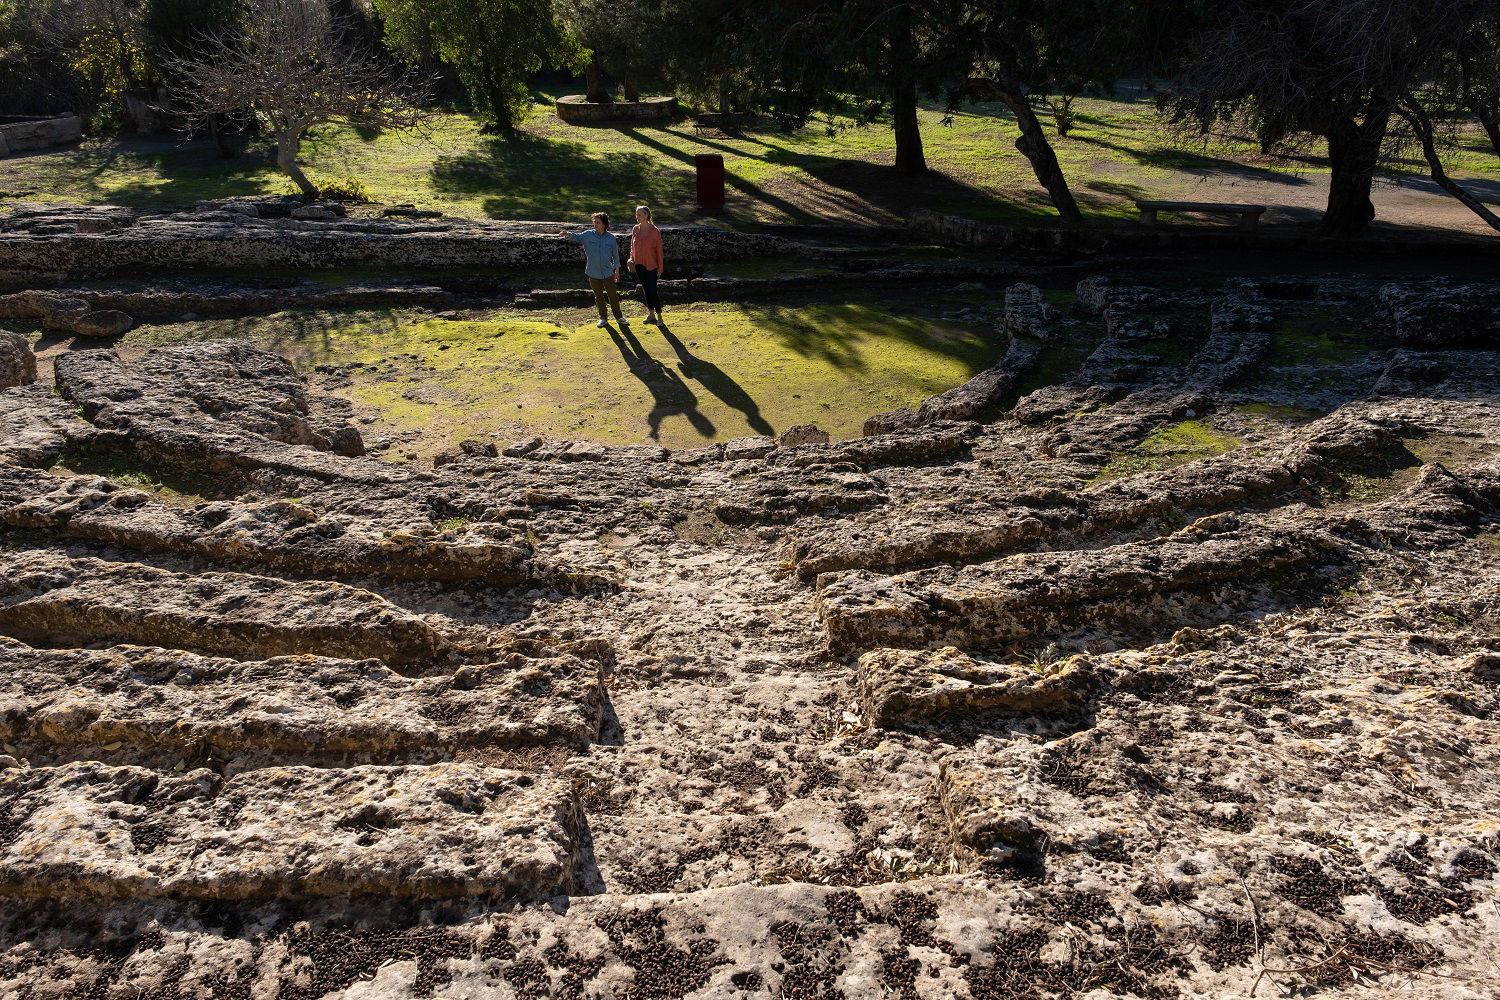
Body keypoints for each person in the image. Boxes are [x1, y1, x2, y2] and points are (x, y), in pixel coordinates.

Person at [559, 212, 627, 328]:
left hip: (608, 272)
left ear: (604, 224)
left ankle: (619, 317)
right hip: (592, 271)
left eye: (598, 222)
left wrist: (617, 271)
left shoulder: (611, 238)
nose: (595, 224)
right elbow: (576, 237)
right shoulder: (588, 235)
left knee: (613, 296)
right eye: (594, 222)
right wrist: (566, 234)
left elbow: (615, 256)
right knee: (598, 296)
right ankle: (603, 318)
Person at [628, 205, 666, 325]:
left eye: (639, 214)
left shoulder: (655, 231)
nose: (637, 217)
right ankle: (651, 315)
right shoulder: (635, 229)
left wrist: (660, 268)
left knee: (653, 290)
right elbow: (632, 247)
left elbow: (659, 251)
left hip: (652, 265)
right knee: (646, 290)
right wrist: (631, 258)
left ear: (646, 215)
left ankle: (660, 317)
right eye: (636, 214)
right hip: (639, 264)